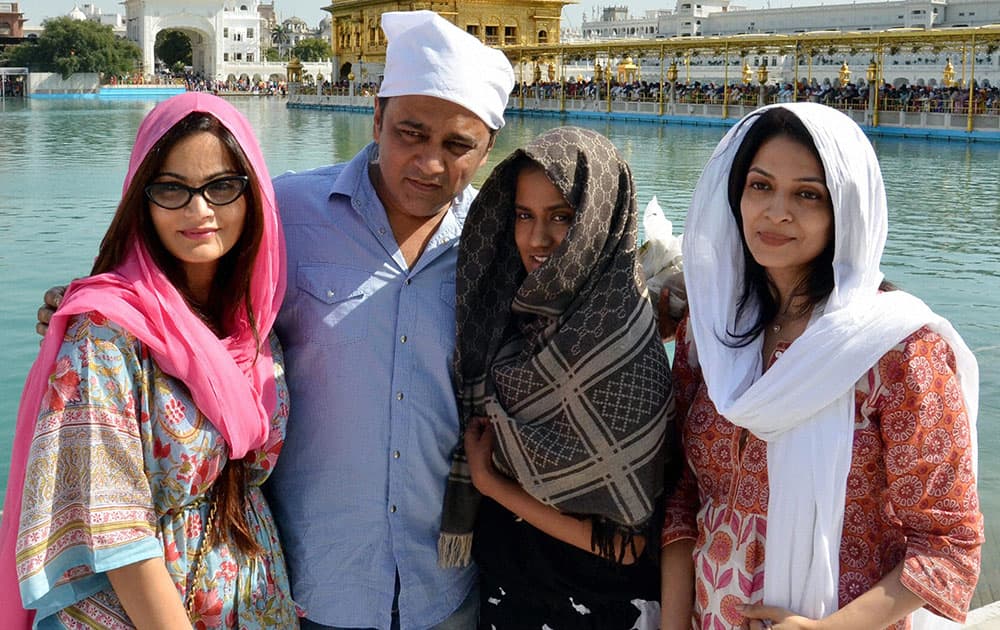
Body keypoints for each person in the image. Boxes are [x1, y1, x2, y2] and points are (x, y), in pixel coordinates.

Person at [659, 103, 983, 630]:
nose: (776, 212)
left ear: (846, 211)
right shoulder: (711, 334)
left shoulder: (896, 351)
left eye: (807, 195)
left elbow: (950, 545)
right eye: (760, 186)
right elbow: (682, 494)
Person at [0, 92, 297, 628]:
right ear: (143, 199)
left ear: (254, 196)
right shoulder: (107, 334)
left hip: (254, 592)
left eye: (222, 186)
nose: (199, 210)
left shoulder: (251, 325)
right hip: (148, 607)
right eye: (172, 189)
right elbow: (116, 532)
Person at [441, 126, 677, 629]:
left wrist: (489, 482)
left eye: (562, 218)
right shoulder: (515, 317)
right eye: (523, 216)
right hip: (508, 589)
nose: (536, 239)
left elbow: (626, 546)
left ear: (599, 221)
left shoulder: (621, 349)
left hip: (591, 607)